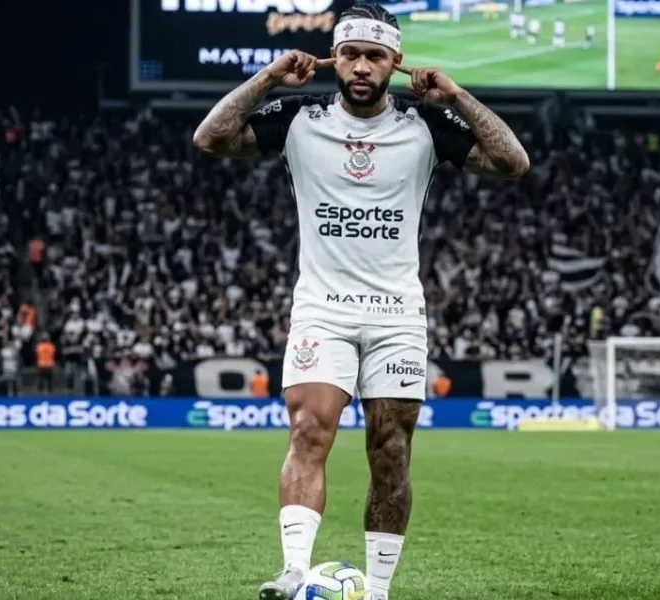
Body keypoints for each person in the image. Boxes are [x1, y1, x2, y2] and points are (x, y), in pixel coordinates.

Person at [192, 3, 529, 599]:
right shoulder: (298, 119)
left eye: (375, 56)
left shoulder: (426, 126)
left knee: (390, 450)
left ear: (395, 62)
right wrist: (268, 77)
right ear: (334, 58)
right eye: (350, 54)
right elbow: (210, 138)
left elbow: (511, 162)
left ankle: (377, 592)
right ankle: (293, 570)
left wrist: (455, 94)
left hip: (396, 315)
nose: (362, 67)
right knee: (308, 430)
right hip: (322, 308)